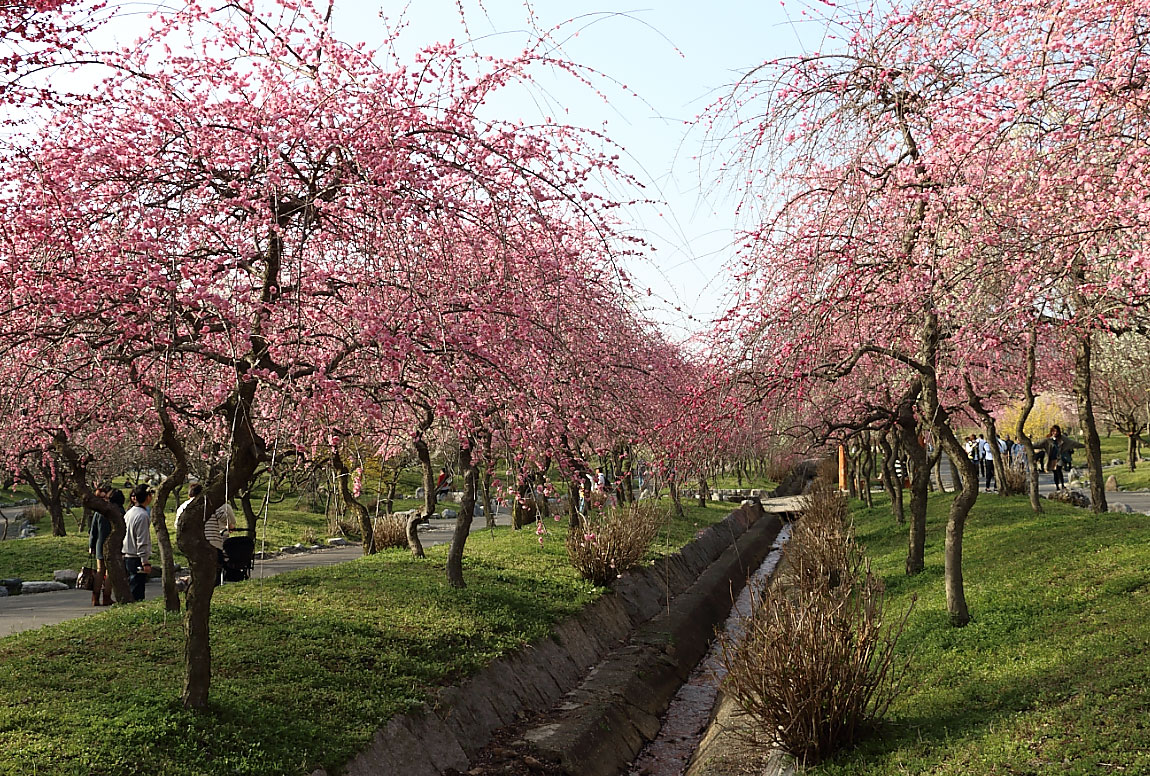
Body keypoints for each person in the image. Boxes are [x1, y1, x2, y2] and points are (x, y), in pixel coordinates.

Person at [122, 484, 153, 602]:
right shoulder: (143, 515)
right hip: (136, 557)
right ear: (148, 497)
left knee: (132, 586)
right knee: (137, 591)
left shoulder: (129, 512)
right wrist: (145, 560)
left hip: (127, 554)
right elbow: (142, 539)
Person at [87, 483, 117, 606]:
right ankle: (106, 597)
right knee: (108, 572)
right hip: (110, 544)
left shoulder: (97, 513)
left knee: (100, 571)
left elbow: (93, 532)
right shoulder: (112, 511)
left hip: (99, 545)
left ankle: (95, 597)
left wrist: (91, 545)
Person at [1048, 425, 1066, 491]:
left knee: (1059, 470)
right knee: (1055, 472)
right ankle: (1057, 486)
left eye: (1056, 431)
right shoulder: (1048, 439)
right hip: (1052, 458)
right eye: (1054, 431)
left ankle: (1062, 484)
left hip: (1059, 457)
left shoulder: (1061, 439)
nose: (1055, 433)